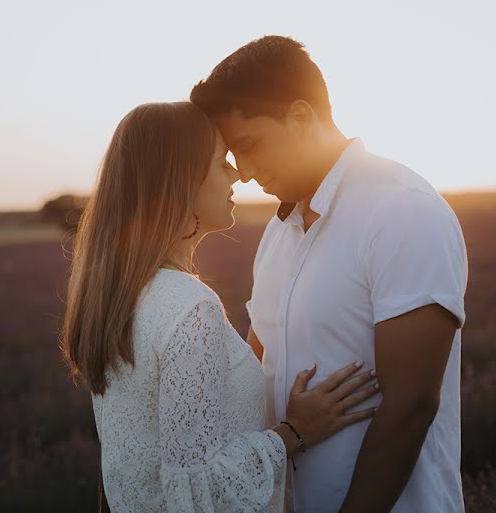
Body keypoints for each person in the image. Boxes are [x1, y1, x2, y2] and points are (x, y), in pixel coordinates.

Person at [190, 36, 469, 512]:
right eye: (235, 157)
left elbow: (411, 406)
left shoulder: (402, 210)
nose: (247, 172)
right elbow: (262, 367)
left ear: (300, 118)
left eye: (251, 146)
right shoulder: (280, 234)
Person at [59, 101, 380, 512]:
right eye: (220, 161)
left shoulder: (122, 297)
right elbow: (198, 486)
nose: (236, 173)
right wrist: (295, 432)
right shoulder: (189, 307)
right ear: (181, 181)